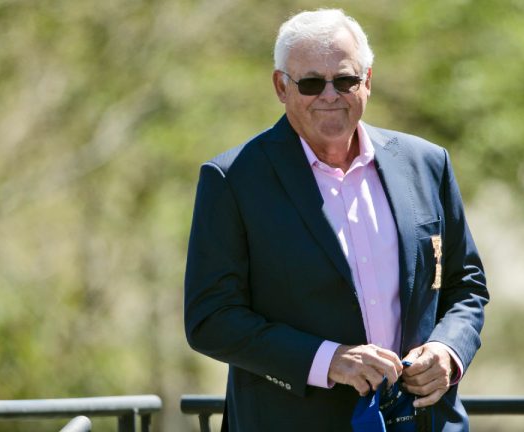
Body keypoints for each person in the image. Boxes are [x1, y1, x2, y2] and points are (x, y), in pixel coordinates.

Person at [184, 8, 488, 431]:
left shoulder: (427, 163)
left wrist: (447, 350)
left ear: (368, 81)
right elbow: (210, 320)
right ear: (280, 86)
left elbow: (466, 283)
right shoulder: (233, 180)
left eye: (345, 80)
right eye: (310, 83)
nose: (330, 95)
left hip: (423, 422)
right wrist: (328, 360)